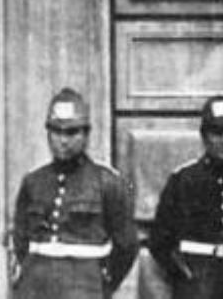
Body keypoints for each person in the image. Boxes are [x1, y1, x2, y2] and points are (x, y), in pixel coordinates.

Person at [11, 87, 138, 298]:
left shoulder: (107, 182)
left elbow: (126, 245)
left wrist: (102, 284)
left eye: (71, 132)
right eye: (56, 132)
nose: (63, 140)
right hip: (34, 287)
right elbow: (20, 240)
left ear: (86, 134)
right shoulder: (33, 181)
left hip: (84, 288)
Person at [149, 95, 223, 298]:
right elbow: (159, 240)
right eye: (217, 133)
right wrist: (182, 273)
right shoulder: (183, 180)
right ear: (204, 136)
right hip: (197, 282)